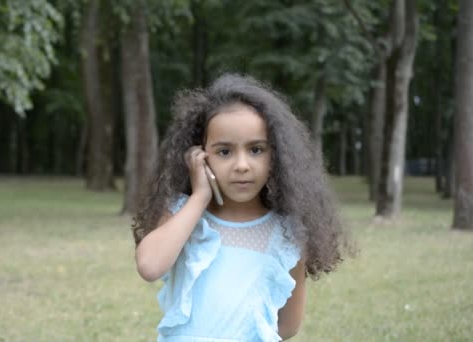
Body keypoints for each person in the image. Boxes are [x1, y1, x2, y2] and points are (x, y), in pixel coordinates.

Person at [132, 74, 350, 341]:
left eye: (256, 149)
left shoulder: (287, 234)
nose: (242, 165)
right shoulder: (183, 214)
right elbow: (150, 266)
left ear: (276, 156)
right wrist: (200, 197)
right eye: (224, 151)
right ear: (201, 156)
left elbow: (288, 326)